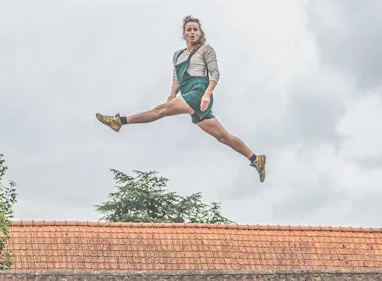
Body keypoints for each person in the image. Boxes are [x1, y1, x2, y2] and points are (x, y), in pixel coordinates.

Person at [95, 15, 266, 182]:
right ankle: (255, 158)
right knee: (223, 137)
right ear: (184, 33)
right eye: (189, 30)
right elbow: (177, 78)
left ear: (200, 32)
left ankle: (119, 121)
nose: (192, 32)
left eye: (195, 30)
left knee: (159, 111)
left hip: (199, 92)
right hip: (188, 95)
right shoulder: (177, 55)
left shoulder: (206, 50)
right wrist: (172, 94)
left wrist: (206, 94)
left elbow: (215, 73)